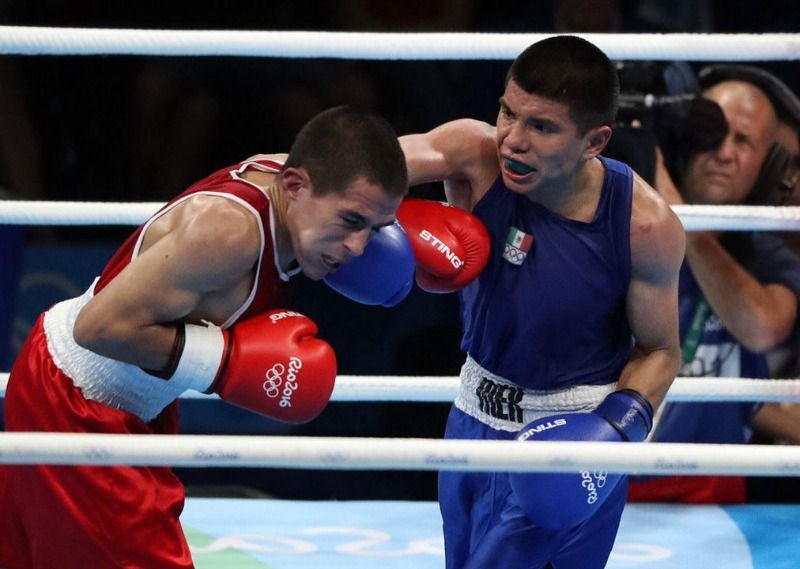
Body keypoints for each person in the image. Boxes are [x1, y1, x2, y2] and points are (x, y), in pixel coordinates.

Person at [0, 105, 412, 568]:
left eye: (376, 230)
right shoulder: (228, 234)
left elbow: (422, 152)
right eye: (351, 222)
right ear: (295, 186)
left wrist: (473, 152)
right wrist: (224, 361)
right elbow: (97, 327)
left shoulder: (303, 179)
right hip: (75, 404)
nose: (358, 248)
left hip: (123, 400)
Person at [398, 35, 685, 569]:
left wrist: (612, 433)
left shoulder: (642, 224)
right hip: (472, 417)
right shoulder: (474, 155)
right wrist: (267, 180)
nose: (513, 140)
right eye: (508, 112)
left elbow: (661, 351)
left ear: (594, 141)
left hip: (569, 439)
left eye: (543, 127)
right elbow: (362, 170)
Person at [627, 66, 800, 504]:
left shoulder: (764, 258)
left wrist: (686, 223)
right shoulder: (617, 225)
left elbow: (763, 328)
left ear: (769, 164)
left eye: (743, 141)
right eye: (712, 132)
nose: (724, 152)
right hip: (593, 482)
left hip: (708, 501)